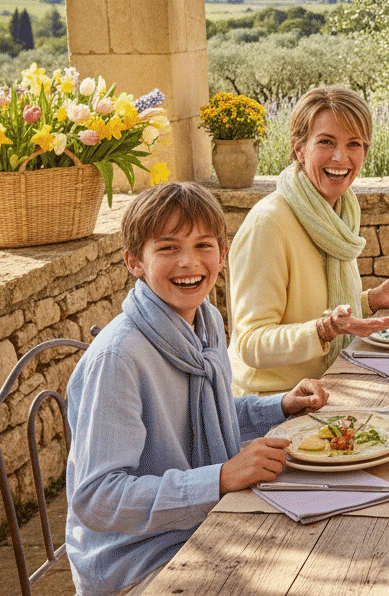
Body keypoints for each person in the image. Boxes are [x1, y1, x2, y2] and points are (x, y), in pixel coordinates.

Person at [65, 182, 331, 596]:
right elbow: (98, 498)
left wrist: (278, 406)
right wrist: (220, 478)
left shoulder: (204, 320)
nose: (189, 263)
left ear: (223, 257)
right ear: (134, 262)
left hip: (205, 524)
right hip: (138, 561)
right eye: (168, 248)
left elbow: (209, 413)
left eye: (203, 246)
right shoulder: (119, 358)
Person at [229, 86, 389, 396]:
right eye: (326, 142)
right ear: (300, 149)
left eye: (354, 144)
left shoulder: (336, 214)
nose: (341, 157)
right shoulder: (269, 224)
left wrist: (373, 300)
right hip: (278, 404)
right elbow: (250, 343)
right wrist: (324, 329)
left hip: (333, 386)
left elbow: (326, 312)